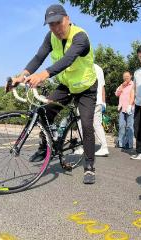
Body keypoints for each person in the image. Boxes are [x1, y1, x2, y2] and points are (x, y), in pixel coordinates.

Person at [12, 4, 97, 184]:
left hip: (86, 88)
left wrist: (43, 75)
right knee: (45, 110)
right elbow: (38, 57)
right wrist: (22, 75)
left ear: (67, 19)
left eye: (58, 22)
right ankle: (45, 147)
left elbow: (68, 59)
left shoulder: (81, 37)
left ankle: (89, 167)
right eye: (51, 25)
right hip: (66, 85)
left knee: (87, 125)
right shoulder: (50, 37)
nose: (56, 28)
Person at [73, 63, 109, 156]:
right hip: (98, 101)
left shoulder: (83, 66)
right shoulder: (99, 68)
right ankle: (104, 147)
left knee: (81, 123)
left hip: (86, 100)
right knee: (97, 124)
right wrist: (103, 102)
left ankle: (80, 147)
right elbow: (102, 86)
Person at [115, 71, 134, 149]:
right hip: (122, 108)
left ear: (131, 76)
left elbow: (134, 96)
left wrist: (130, 105)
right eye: (124, 76)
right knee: (121, 126)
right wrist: (122, 86)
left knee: (129, 126)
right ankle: (121, 143)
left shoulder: (133, 85)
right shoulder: (122, 85)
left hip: (130, 108)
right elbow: (116, 94)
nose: (126, 77)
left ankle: (129, 144)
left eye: (127, 76)